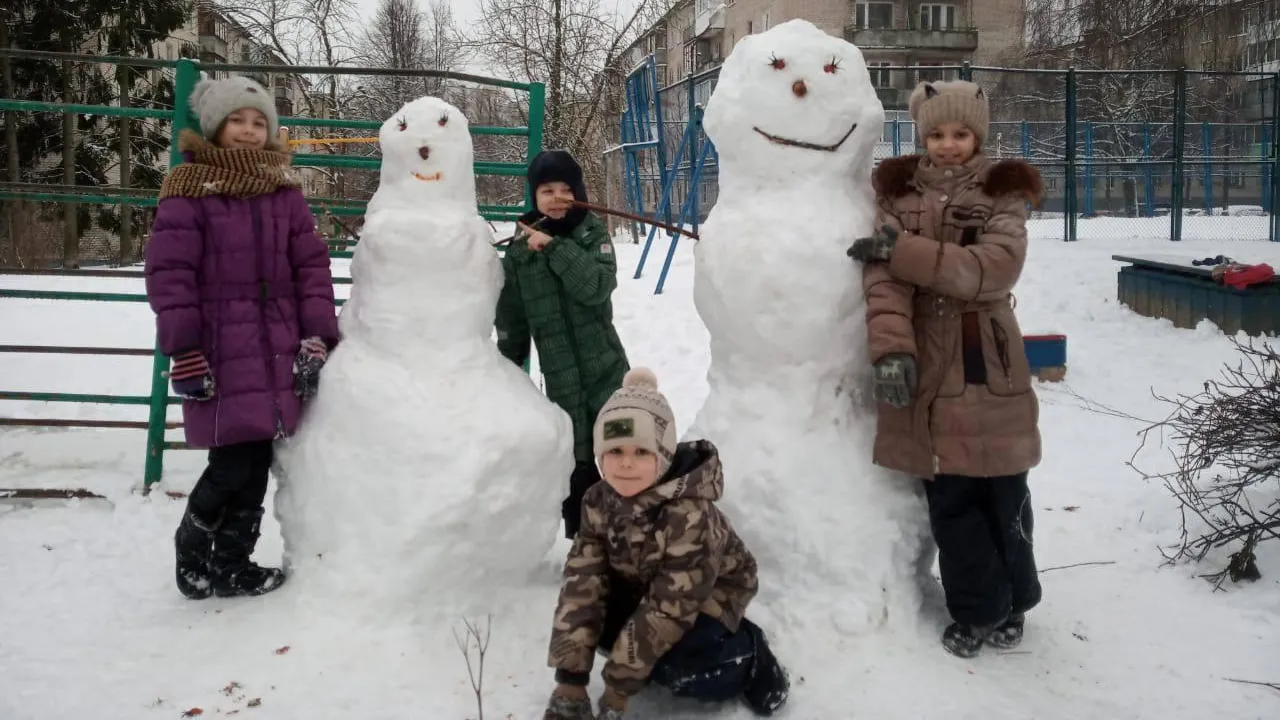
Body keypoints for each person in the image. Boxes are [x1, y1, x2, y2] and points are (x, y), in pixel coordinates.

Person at [848, 79, 1044, 658]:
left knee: (1005, 492)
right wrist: (890, 351)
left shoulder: (1001, 192)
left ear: (977, 134)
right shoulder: (897, 194)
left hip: (986, 358)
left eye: (960, 133)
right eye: (936, 133)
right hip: (929, 369)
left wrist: (902, 251)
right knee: (952, 499)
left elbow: (992, 269)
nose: (948, 144)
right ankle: (976, 610)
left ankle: (1017, 599)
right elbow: (882, 284)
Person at [145, 75, 339, 599]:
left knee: (258, 460)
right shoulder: (189, 190)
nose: (250, 131)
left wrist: (317, 334)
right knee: (232, 460)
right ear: (214, 126)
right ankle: (192, 542)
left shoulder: (285, 191)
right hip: (218, 349)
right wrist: (184, 350)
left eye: (260, 123)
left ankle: (233, 564)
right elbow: (171, 275)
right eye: (238, 120)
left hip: (276, 344)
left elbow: (311, 266)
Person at [542, 368, 789, 720]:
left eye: (641, 452)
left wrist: (616, 692)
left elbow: (670, 607)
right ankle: (641, 659)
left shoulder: (688, 515)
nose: (626, 463)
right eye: (614, 451)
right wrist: (571, 682)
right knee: (602, 630)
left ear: (664, 456)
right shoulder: (598, 501)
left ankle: (749, 656)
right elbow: (582, 584)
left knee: (685, 667)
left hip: (706, 598)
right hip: (645, 586)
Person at [495, 149, 629, 539]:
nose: (556, 198)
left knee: (622, 451)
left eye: (565, 189)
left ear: (579, 192)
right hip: (560, 378)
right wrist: (507, 370)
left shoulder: (592, 234)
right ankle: (585, 549)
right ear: (533, 197)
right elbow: (513, 318)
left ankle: (632, 539)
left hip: (606, 368)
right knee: (577, 462)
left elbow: (597, 287)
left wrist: (554, 248)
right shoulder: (519, 254)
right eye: (546, 190)